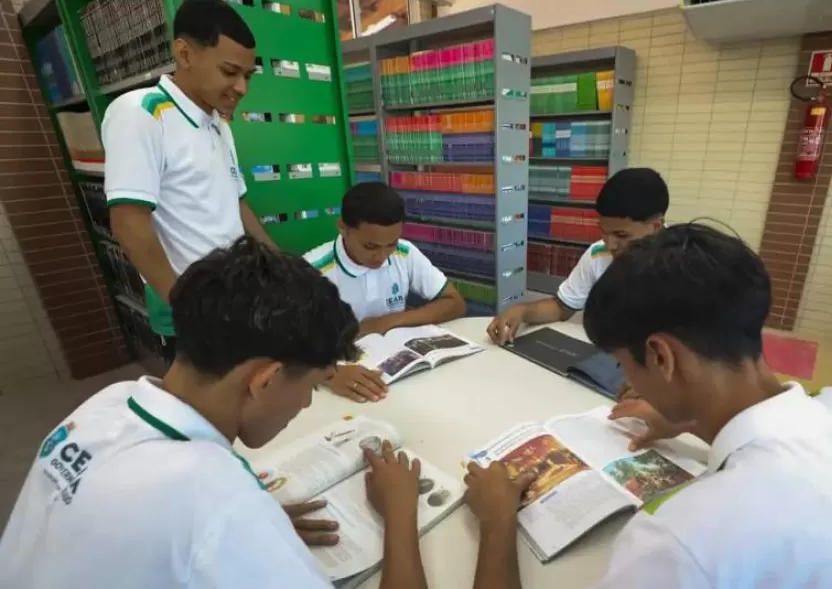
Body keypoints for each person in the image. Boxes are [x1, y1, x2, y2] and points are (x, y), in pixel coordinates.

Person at [463, 224, 832, 589]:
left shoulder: (684, 537)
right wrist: (692, 419)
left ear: (661, 356)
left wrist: (499, 521)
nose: (627, 379)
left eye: (624, 364)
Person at [0, 237, 431, 589]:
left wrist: (249, 533)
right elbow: (201, 511)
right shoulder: (215, 498)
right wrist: (399, 512)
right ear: (265, 380)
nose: (305, 403)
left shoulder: (107, 403)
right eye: (310, 385)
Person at [104, 0, 277, 362]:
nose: (242, 88)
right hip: (189, 307)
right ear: (184, 54)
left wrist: (282, 266)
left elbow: (236, 205)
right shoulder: (141, 114)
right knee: (209, 396)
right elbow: (129, 222)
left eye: (247, 76)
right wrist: (186, 308)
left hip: (235, 296)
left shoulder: (218, 124)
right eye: (229, 72)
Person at [304, 182, 466, 403]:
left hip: (400, 378)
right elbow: (281, 345)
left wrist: (388, 321)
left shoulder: (404, 253)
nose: (381, 257)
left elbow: (455, 303)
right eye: (370, 246)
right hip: (337, 386)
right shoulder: (313, 271)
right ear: (342, 227)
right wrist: (329, 375)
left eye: (391, 244)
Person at [486, 167, 668, 346]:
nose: (610, 245)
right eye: (604, 232)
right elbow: (561, 307)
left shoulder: (679, 266)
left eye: (621, 235)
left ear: (656, 227)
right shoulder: (598, 254)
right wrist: (522, 311)